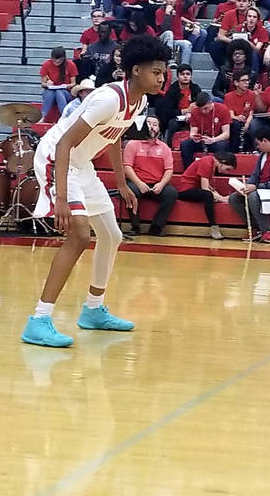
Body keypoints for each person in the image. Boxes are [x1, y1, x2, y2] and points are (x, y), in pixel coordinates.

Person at [21, 36, 170, 347]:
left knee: (112, 235)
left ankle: (92, 311)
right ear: (136, 70)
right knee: (78, 235)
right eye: (156, 71)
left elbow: (112, 136)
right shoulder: (109, 98)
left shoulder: (138, 100)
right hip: (56, 157)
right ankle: (38, 319)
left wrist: (119, 182)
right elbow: (63, 144)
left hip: (81, 163)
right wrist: (60, 197)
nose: (161, 77)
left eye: (163, 71)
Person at [227, 127, 270, 243]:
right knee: (234, 198)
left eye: (258, 144)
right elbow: (255, 175)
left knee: (254, 196)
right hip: (261, 188)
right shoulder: (263, 156)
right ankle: (256, 228)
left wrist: (257, 187)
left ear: (265, 141)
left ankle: (266, 231)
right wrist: (246, 186)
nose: (258, 147)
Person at [123, 114, 177, 235]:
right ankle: (135, 226)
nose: (151, 127)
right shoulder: (132, 144)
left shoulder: (165, 148)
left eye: (155, 125)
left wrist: (162, 184)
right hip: (136, 182)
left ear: (159, 129)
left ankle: (156, 227)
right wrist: (139, 183)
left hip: (156, 183)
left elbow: (169, 169)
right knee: (130, 191)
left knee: (171, 193)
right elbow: (127, 166)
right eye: (148, 123)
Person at [176, 151, 237, 239]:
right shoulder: (207, 163)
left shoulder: (210, 162)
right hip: (185, 190)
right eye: (227, 169)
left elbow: (207, 186)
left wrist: (218, 196)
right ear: (222, 162)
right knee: (208, 195)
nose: (226, 172)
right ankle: (213, 226)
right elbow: (205, 189)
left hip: (193, 188)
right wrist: (222, 199)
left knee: (210, 194)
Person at [181, 92, 233, 167]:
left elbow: (226, 134)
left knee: (221, 145)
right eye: (201, 109)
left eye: (205, 108)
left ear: (211, 102)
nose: (203, 111)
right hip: (202, 140)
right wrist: (194, 137)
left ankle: (217, 172)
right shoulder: (195, 111)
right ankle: (189, 169)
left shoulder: (222, 109)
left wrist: (213, 139)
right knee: (185, 144)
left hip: (216, 140)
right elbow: (192, 132)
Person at [157, 64, 200, 146]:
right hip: (176, 117)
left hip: (193, 116)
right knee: (173, 124)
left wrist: (191, 114)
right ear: (177, 76)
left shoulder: (195, 88)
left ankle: (198, 146)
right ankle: (170, 145)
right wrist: (185, 111)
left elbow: (200, 105)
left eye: (188, 74)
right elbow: (167, 112)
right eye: (182, 74)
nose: (185, 76)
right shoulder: (172, 90)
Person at [40, 46, 79, 119]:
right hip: (50, 91)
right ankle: (42, 116)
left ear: (63, 59)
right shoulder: (47, 64)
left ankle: (64, 116)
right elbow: (43, 83)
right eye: (54, 61)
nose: (56, 63)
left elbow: (73, 83)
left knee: (59, 91)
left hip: (65, 92)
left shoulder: (70, 65)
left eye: (59, 62)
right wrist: (47, 84)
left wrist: (66, 86)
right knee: (51, 92)